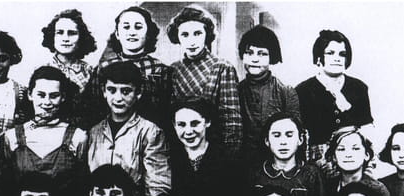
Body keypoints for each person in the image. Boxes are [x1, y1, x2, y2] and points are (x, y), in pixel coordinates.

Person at [86, 61, 171, 196]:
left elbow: (158, 186)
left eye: (126, 91)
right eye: (112, 90)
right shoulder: (94, 131)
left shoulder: (150, 132)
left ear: (138, 93)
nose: (118, 98)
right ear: (103, 91)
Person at [2, 66, 87, 196]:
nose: (47, 102)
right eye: (41, 95)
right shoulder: (12, 137)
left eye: (54, 96)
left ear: (63, 97)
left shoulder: (78, 137)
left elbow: (81, 186)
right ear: (30, 95)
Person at [169, 98, 247, 196]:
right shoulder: (169, 159)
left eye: (195, 123)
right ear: (174, 125)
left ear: (207, 122)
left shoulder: (228, 160)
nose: (188, 131)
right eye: (181, 124)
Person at [168, 6, 242, 159]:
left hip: (215, 151)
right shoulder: (173, 70)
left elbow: (231, 119)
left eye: (197, 33)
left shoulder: (222, 67)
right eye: (185, 35)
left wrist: (229, 157)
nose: (191, 41)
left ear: (206, 35)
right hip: (181, 151)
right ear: (178, 37)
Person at [79, 6, 171, 129]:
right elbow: (93, 108)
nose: (132, 32)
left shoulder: (160, 70)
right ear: (117, 34)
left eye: (138, 27)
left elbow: (166, 112)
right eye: (126, 27)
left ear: (148, 33)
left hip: (150, 133)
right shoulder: (103, 68)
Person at [296, 30, 373, 168]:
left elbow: (366, 128)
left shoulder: (358, 88)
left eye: (342, 54)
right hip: (317, 161)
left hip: (352, 157)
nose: (337, 58)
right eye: (330, 53)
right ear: (319, 57)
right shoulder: (303, 90)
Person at [251, 111, 325, 196]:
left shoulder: (311, 174)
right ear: (267, 141)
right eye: (276, 135)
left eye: (289, 135)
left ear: (300, 140)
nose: (283, 142)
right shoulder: (257, 174)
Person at [238, 25, 300, 161]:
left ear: (272, 56)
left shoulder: (286, 92)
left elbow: (295, 136)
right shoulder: (235, 91)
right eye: (249, 53)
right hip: (241, 162)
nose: (254, 59)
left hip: (276, 162)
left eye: (262, 54)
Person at [322, 126, 390, 196]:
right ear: (334, 157)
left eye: (355, 148)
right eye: (341, 149)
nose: (348, 154)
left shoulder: (377, 190)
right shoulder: (328, 187)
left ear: (366, 155)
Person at [41, 9, 97, 91]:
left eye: (72, 33)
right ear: (52, 36)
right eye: (60, 32)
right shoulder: (42, 70)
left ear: (81, 37)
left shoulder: (89, 71)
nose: (65, 39)